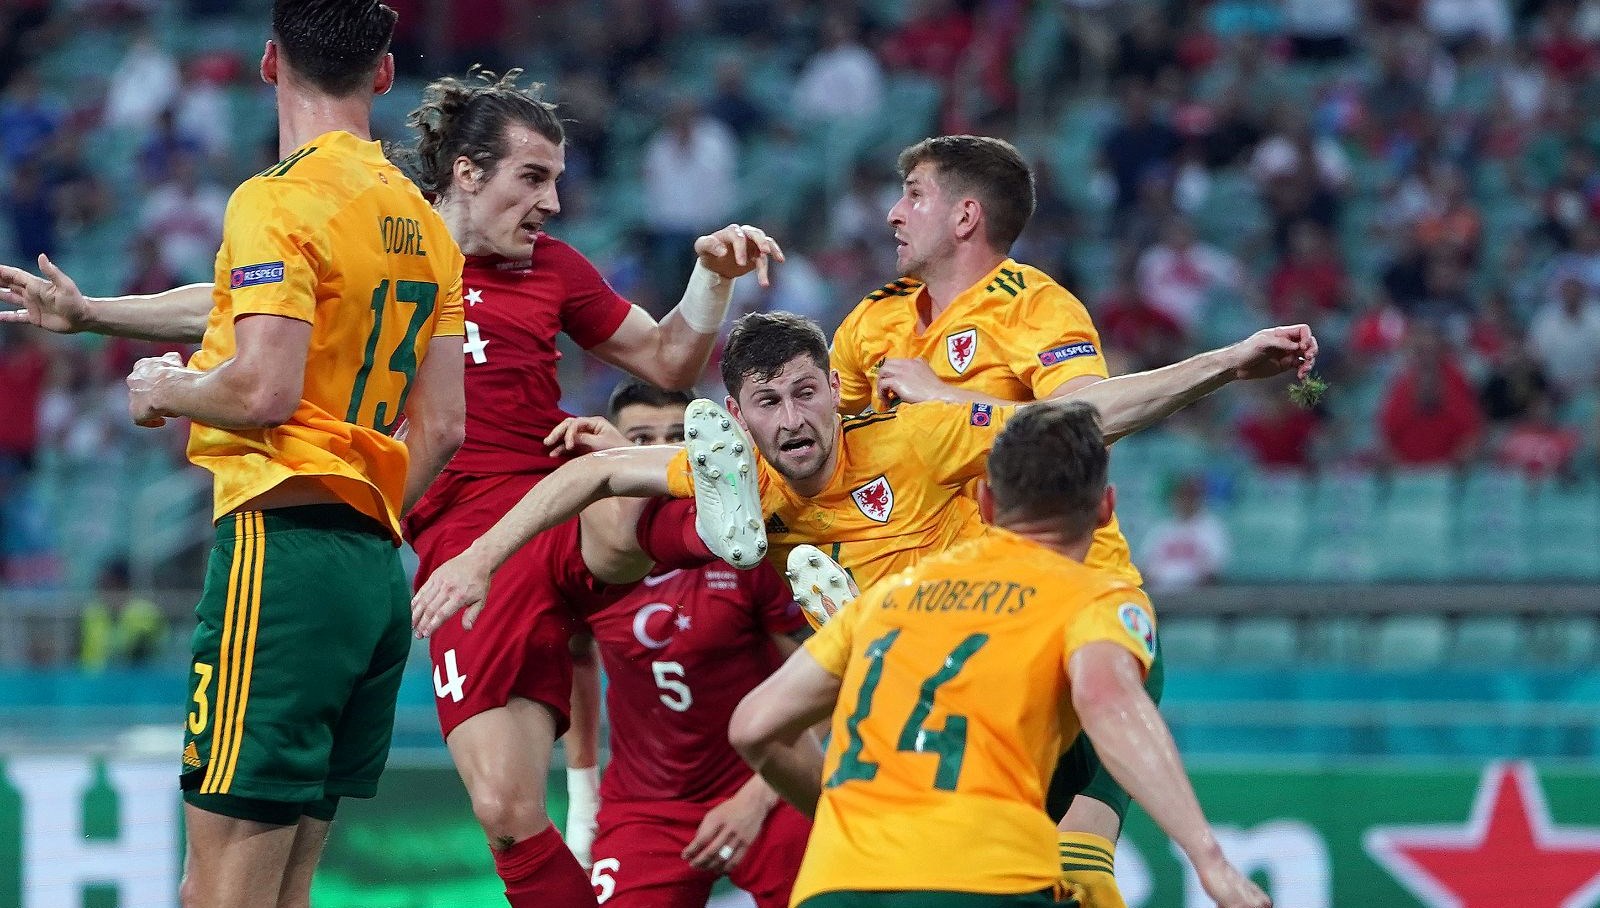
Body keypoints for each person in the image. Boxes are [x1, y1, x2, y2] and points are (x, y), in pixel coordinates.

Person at [0, 68, 782, 908]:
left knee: (607, 490)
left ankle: (735, 515)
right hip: (454, 542)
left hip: (545, 496)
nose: (554, 202)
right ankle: (704, 505)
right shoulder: (396, 241)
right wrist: (94, 314)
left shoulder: (553, 268)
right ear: (469, 173)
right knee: (508, 811)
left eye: (557, 180)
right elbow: (237, 304)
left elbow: (668, 361)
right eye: (533, 177)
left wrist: (711, 277)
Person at [17, 2, 468, 906]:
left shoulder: (276, 197)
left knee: (218, 889)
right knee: (284, 886)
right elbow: (445, 424)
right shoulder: (421, 223)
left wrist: (165, 389)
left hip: (282, 555)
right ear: (383, 75)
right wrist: (93, 311)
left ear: (269, 64)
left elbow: (261, 385)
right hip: (369, 573)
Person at [412, 309, 1315, 636]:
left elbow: (1080, 417)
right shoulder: (747, 468)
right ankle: (833, 615)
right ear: (738, 418)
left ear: (836, 397)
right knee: (641, 501)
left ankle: (842, 614)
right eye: (768, 405)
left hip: (978, 630)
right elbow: (590, 480)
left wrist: (1229, 362)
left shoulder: (916, 436)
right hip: (877, 678)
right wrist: (478, 558)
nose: (795, 418)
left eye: (809, 394)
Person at [726, 402, 1269, 908]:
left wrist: (845, 820)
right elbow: (1107, 700)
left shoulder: (890, 596)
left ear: (985, 503)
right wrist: (1209, 858)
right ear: (1106, 508)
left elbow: (752, 726)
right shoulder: (1096, 599)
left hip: (836, 883)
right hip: (984, 879)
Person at [577, 379, 815, 907]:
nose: (660, 455)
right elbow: (575, 662)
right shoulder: (589, 561)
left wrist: (757, 799)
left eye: (678, 438)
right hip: (644, 810)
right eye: (640, 439)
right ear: (610, 451)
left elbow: (824, 686)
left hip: (763, 785)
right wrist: (579, 795)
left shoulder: (746, 550)